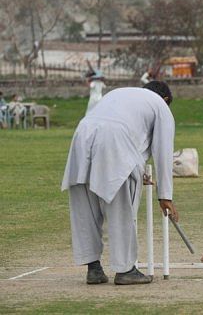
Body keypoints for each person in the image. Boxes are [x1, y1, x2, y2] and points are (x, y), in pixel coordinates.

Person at [61, 81, 177, 285]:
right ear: (166, 99)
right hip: (115, 140)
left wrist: (137, 167)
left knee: (85, 204)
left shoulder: (121, 93)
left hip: (82, 133)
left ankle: (94, 268)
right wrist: (165, 196)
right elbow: (163, 151)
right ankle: (125, 270)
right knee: (121, 208)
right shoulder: (160, 105)